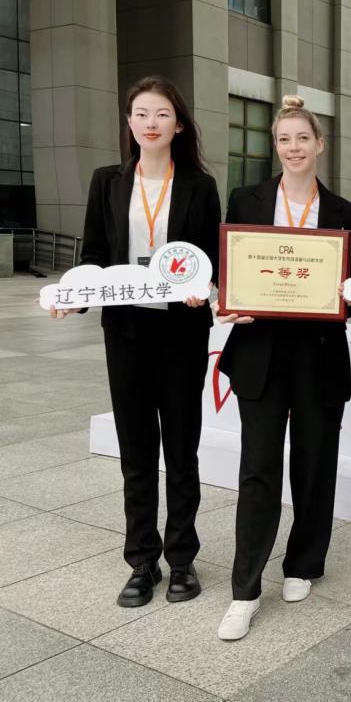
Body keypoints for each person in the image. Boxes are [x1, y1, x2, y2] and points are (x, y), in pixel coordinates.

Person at [51, 75, 221, 607]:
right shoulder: (107, 181)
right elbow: (94, 255)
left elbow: (209, 261)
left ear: (179, 125)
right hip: (126, 333)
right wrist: (74, 296)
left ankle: (183, 559)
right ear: (128, 122)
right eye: (142, 114)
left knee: (182, 448)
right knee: (136, 449)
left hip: (180, 332)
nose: (151, 123)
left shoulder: (199, 185)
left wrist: (203, 288)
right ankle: (142, 561)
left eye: (162, 114)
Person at [215, 95, 351, 641]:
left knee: (315, 466)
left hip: (320, 353)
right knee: (258, 471)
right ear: (275, 146)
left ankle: (303, 564)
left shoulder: (345, 212)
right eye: (283, 140)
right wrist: (228, 301)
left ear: (320, 144)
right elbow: (230, 270)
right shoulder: (246, 199)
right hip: (261, 352)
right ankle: (245, 591)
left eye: (302, 138)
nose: (293, 148)